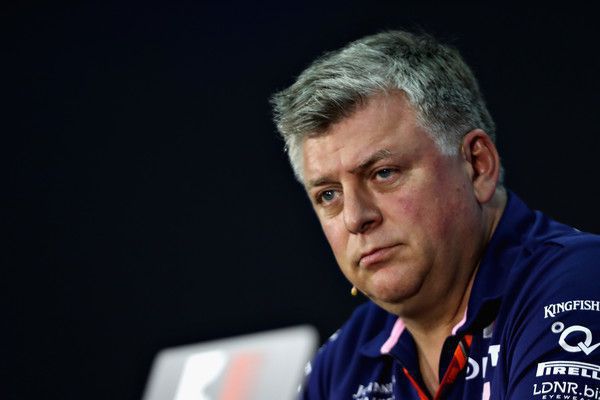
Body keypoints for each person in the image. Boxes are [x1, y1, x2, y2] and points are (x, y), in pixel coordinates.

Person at [270, 31, 600, 400]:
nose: (355, 218)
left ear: (477, 166)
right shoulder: (345, 362)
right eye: (328, 195)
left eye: (383, 173)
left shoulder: (580, 283)